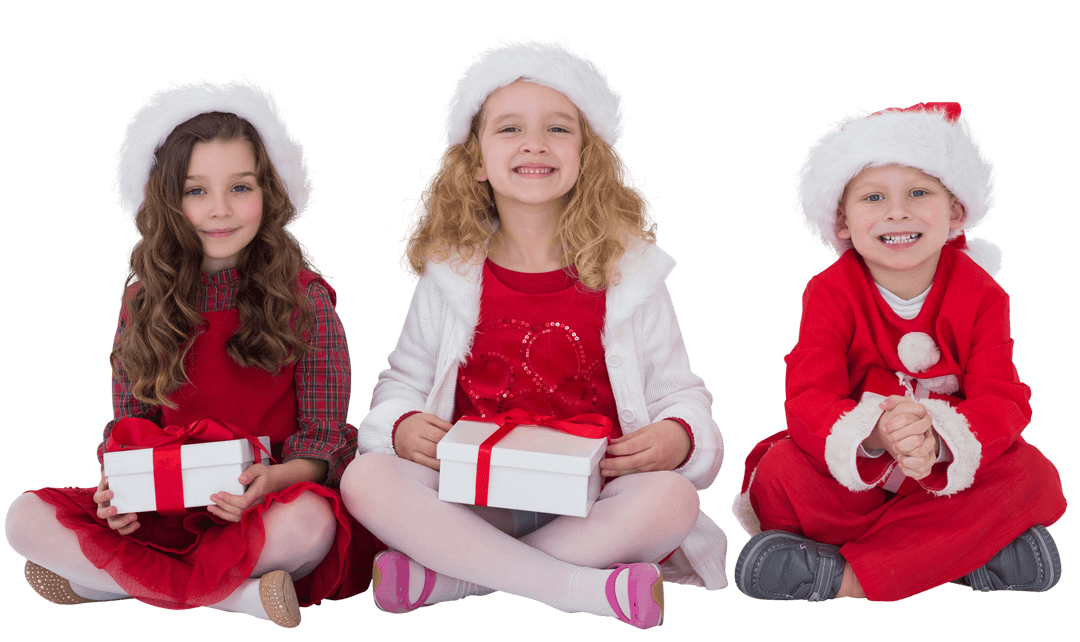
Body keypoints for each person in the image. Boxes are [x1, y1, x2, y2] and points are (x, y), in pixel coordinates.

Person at [340, 37, 726, 629]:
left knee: (673, 499)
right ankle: (573, 587)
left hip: (592, 501)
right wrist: (401, 424)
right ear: (475, 160)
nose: (534, 143)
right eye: (510, 128)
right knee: (366, 478)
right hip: (473, 498)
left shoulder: (632, 272)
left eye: (558, 129)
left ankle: (453, 580)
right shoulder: (449, 274)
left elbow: (679, 389)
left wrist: (679, 435)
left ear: (587, 157)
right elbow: (403, 381)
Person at [4, 77, 380, 628]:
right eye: (196, 191)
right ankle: (238, 597)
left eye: (240, 187)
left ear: (269, 193)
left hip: (262, 509)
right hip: (168, 510)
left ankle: (108, 584)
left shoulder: (306, 299)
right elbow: (130, 425)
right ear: (167, 201)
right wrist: (115, 495)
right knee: (22, 517)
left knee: (311, 524)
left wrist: (272, 482)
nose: (220, 210)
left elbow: (324, 441)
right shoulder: (144, 300)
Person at [731, 102, 1067, 602]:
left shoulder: (984, 296)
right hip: (857, 482)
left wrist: (938, 441)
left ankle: (845, 579)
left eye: (918, 192)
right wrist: (874, 435)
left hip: (942, 477)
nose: (897, 212)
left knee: (1033, 477)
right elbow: (808, 398)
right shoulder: (828, 292)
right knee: (779, 473)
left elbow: (1002, 400)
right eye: (873, 197)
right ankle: (964, 554)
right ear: (843, 220)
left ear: (955, 212)